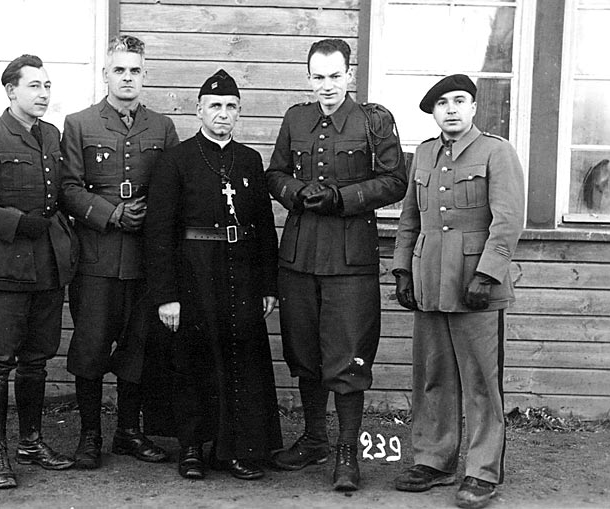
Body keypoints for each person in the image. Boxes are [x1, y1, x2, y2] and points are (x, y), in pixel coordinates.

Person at [265, 38, 407, 491]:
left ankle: (347, 452)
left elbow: (395, 181)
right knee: (304, 351)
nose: (326, 86)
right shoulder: (296, 118)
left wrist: (342, 197)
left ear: (349, 75)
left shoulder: (373, 121)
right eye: (318, 77)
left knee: (348, 355)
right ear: (309, 78)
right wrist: (294, 192)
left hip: (350, 259)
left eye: (334, 76)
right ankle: (314, 439)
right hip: (300, 255)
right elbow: (274, 173)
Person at [392, 74, 525, 509]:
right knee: (433, 377)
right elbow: (410, 219)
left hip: (475, 285)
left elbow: (508, 221)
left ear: (473, 107)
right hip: (430, 281)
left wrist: (486, 275)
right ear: (433, 112)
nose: (451, 109)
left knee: (482, 383)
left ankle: (482, 471)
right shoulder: (424, 153)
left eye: (459, 100)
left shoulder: (496, 151)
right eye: (442, 103)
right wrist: (403, 271)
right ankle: (434, 460)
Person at [144, 69, 283, 481]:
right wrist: (166, 295)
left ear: (239, 112)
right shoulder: (177, 160)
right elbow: (159, 232)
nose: (223, 113)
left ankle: (235, 450)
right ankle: (191, 447)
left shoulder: (249, 160)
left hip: (242, 272)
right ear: (199, 110)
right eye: (215, 106)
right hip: (194, 274)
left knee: (241, 360)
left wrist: (268, 285)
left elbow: (264, 226)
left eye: (231, 107)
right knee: (192, 359)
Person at [0, 54, 77, 489]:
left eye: (47, 86)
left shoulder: (51, 135)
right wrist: (15, 223)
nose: (44, 94)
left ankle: (31, 442)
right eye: (34, 86)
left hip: (47, 267)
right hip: (3, 269)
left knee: (36, 360)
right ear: (11, 91)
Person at [59, 35, 179, 470]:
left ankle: (129, 432)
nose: (127, 78)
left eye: (135, 71)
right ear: (105, 74)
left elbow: (174, 187)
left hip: (145, 260)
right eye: (119, 70)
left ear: (145, 76)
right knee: (91, 349)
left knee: (138, 349)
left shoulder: (162, 128)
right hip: (96, 258)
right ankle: (90, 435)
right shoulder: (79, 124)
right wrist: (111, 214)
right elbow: (67, 188)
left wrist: (153, 217)